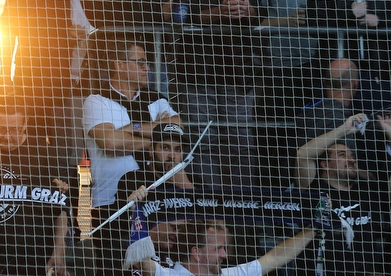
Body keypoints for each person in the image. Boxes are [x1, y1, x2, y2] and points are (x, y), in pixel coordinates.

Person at [164, 0, 260, 189]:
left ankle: (243, 204)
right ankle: (208, 202)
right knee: (202, 140)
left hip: (238, 72)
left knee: (239, 140)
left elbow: (264, 9)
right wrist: (216, 13)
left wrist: (247, 10)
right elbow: (176, 14)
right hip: (197, 72)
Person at [83, 37, 178, 263]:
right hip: (111, 203)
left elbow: (177, 130)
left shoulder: (156, 98)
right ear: (119, 65)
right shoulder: (97, 101)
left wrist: (132, 128)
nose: (148, 68)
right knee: (117, 266)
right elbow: (110, 143)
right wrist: (155, 140)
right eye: (141, 62)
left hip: (158, 198)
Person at [0, 96, 73, 276]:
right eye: (2, 129)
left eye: (15, 130)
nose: (8, 137)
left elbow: (60, 209)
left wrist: (59, 251)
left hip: (32, 255)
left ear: (25, 123)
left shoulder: (43, 152)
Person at [1, 0, 86, 144]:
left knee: (71, 140)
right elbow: (8, 26)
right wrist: (4, 72)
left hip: (78, 74)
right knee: (35, 135)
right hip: (35, 70)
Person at [293, 114, 391, 276]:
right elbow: (303, 155)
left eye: (352, 156)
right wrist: (344, 129)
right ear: (325, 164)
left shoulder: (367, 190)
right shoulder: (314, 190)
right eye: (342, 155)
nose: (351, 160)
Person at [116, 123, 195, 271]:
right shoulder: (133, 179)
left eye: (177, 150)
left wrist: (185, 185)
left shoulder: (193, 182)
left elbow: (217, 227)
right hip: (145, 262)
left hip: (186, 262)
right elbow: (122, 230)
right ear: (151, 150)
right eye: (165, 148)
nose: (172, 156)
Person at [132, 218, 315, 276]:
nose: (224, 255)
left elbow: (275, 258)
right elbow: (141, 261)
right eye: (218, 248)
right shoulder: (170, 274)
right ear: (196, 252)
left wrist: (314, 228)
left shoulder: (228, 274)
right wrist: (136, 208)